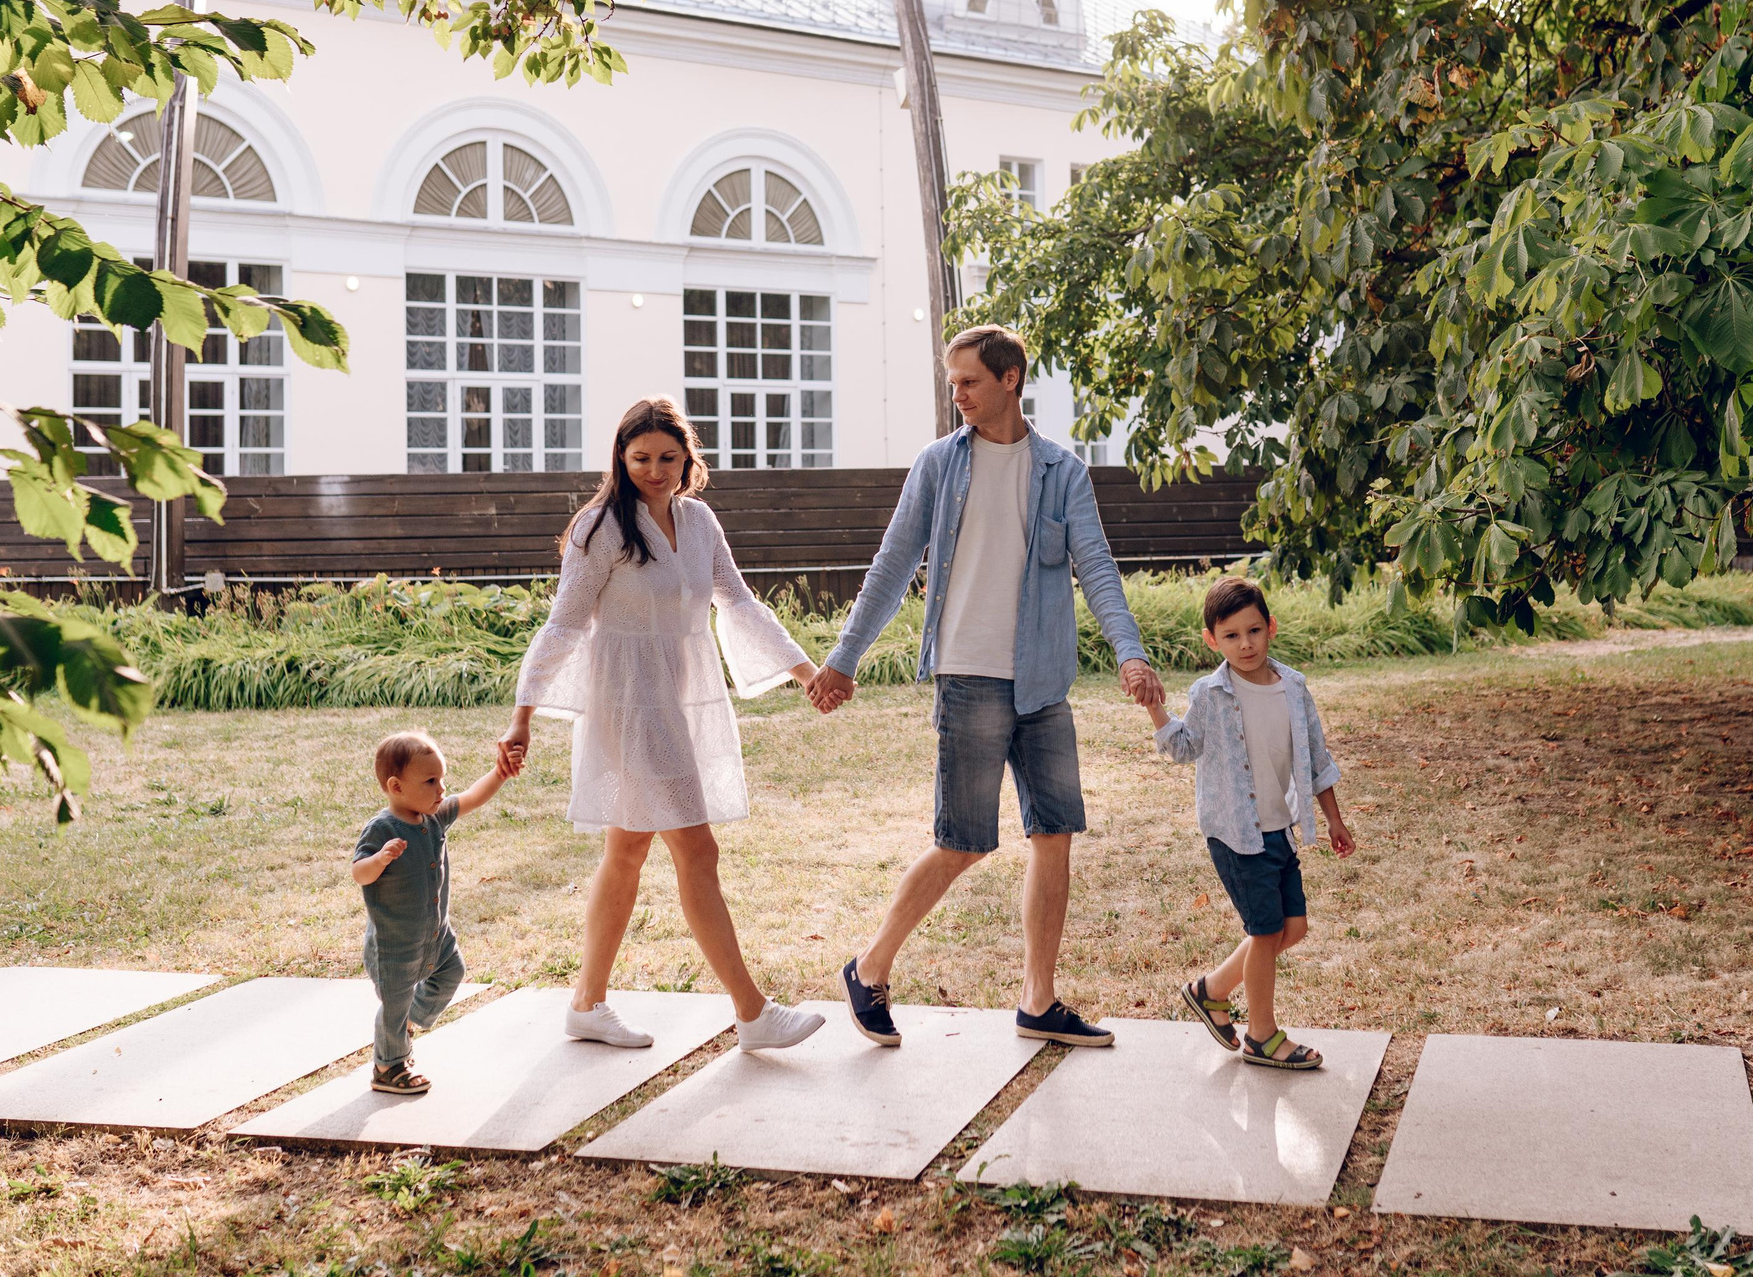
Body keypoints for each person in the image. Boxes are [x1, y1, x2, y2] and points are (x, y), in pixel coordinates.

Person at [807, 325, 1164, 1048]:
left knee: (1054, 834)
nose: (958, 396)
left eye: (968, 382)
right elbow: (891, 563)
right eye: (952, 385)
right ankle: (869, 968)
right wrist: (844, 658)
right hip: (968, 674)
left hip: (1042, 681)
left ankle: (1039, 1000)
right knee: (963, 841)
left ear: (1010, 379)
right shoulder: (940, 465)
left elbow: (1094, 564)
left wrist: (1130, 653)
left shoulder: (1062, 471)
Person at [501, 397, 827, 1054]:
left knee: (626, 851)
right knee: (696, 848)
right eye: (641, 457)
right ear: (621, 459)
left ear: (688, 460)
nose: (655, 469)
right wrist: (523, 716)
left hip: (680, 696)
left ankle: (587, 1005)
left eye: (667, 458)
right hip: (627, 701)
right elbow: (565, 623)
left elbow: (736, 600)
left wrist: (805, 672)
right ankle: (753, 1011)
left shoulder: (699, 521)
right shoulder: (601, 529)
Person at [1148, 576, 1354, 1069]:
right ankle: (1262, 1035)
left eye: (1254, 630)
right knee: (1265, 932)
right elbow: (1183, 747)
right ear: (1211, 640)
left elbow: (1315, 758)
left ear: (1271, 628)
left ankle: (1210, 989)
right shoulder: (1209, 693)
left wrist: (1334, 820)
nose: (1245, 644)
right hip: (1234, 832)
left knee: (1293, 927)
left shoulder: (1294, 687)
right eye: (1232, 635)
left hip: (1277, 826)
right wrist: (1155, 706)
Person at [352, 729, 513, 1094]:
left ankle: (412, 1020)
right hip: (394, 946)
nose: (441, 789)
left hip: (436, 936)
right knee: (394, 1005)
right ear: (396, 786)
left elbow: (471, 797)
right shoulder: (381, 829)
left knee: (453, 972)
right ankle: (388, 1066)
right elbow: (359, 873)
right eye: (430, 781)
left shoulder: (434, 816)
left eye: (442, 778)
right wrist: (380, 859)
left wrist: (499, 774)